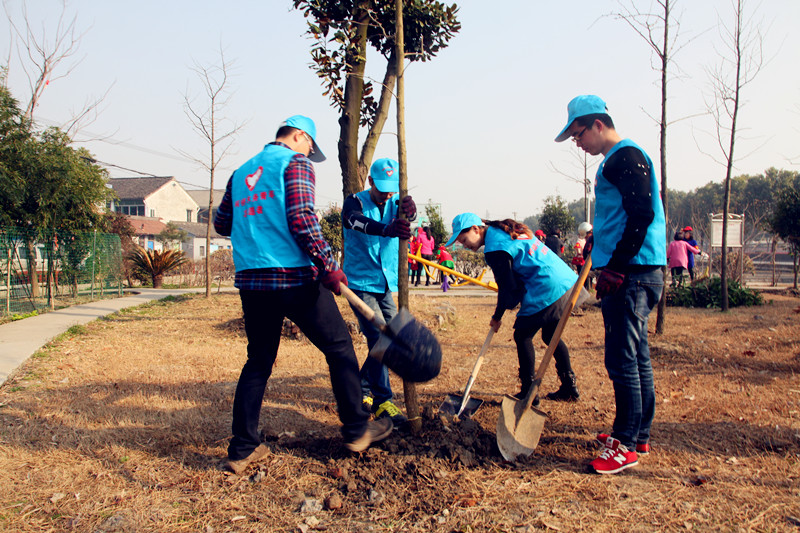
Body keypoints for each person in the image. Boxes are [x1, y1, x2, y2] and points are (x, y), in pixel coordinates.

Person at [214, 115, 392, 475]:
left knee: (258, 361)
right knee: (339, 347)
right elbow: (301, 219)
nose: (310, 154)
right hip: (293, 277)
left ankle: (243, 448)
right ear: (299, 136)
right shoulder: (295, 164)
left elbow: (221, 224)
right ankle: (357, 429)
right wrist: (329, 265)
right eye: (310, 146)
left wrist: (258, 222)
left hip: (252, 282)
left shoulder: (240, 173)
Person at [555, 95, 666, 475]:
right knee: (637, 356)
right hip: (635, 269)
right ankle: (640, 433)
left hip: (632, 272)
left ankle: (625, 443)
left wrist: (616, 267)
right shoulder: (620, 158)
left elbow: (641, 213)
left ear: (597, 124)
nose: (577, 143)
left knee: (621, 358)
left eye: (578, 134)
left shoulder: (624, 156)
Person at [446, 213, 588, 406]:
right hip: (563, 280)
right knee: (550, 335)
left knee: (522, 335)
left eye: (464, 240)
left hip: (546, 285)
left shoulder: (495, 248)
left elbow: (507, 288)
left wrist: (497, 316)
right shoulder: (501, 230)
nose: (464, 245)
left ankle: (529, 392)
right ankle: (569, 387)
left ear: (475, 229)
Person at [342, 157, 416, 428]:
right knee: (380, 336)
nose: (387, 194)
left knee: (394, 336)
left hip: (385, 281)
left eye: (391, 189)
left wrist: (411, 211)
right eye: (381, 188)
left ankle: (363, 385)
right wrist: (386, 229)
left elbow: (409, 219)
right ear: (371, 181)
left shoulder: (396, 202)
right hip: (360, 282)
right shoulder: (355, 202)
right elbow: (352, 221)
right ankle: (383, 400)